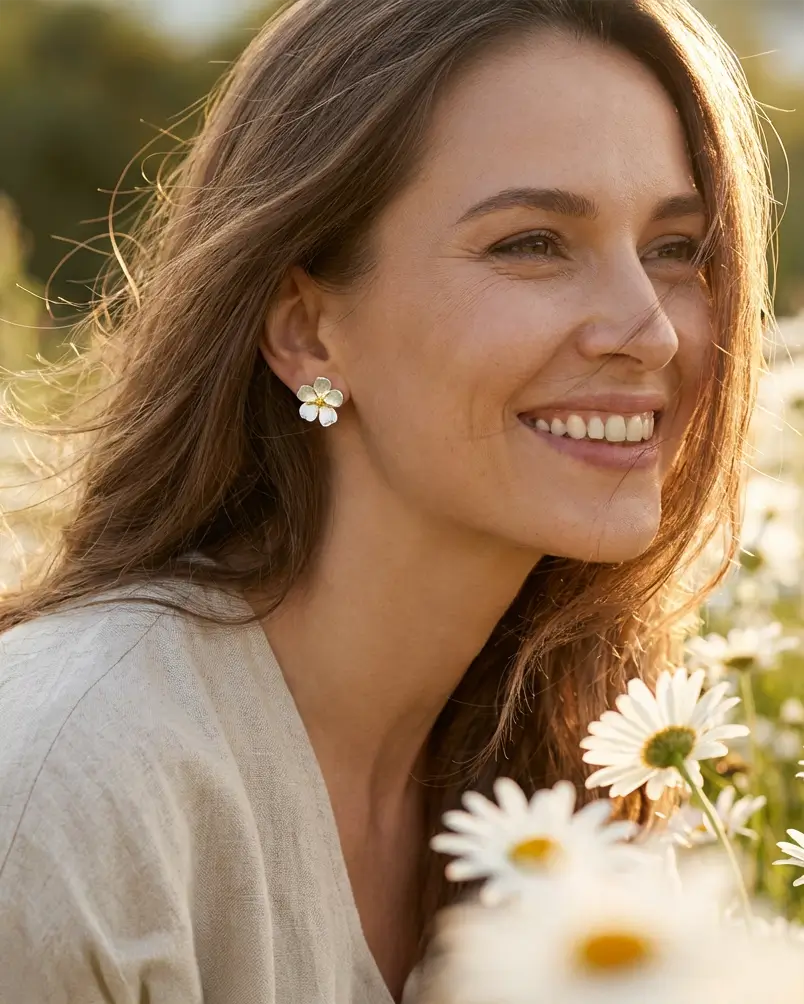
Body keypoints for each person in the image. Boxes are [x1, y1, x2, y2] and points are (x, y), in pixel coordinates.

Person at [0, 0, 771, 1000]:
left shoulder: (581, 782)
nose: (650, 331)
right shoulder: (67, 789)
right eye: (533, 242)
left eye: (675, 248)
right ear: (310, 332)